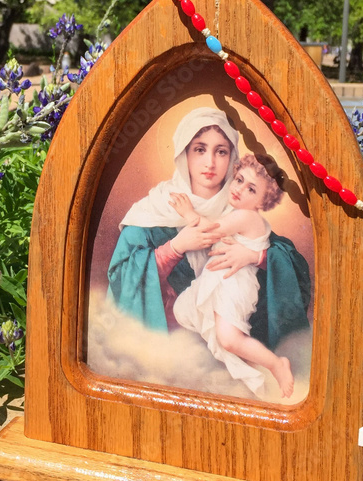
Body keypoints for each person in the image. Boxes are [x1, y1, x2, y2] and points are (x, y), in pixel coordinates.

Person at [106, 108, 311, 358]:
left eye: (221, 151)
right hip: (167, 356)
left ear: (232, 158)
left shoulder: (240, 209)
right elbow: (120, 279)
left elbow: (292, 266)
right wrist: (174, 249)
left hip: (229, 357)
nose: (210, 163)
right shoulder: (154, 210)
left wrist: (254, 257)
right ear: (184, 153)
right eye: (200, 149)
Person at [169, 153, 295, 398]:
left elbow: (210, 232)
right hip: (223, 281)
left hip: (234, 285)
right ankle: (254, 364)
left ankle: (276, 364)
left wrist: (189, 213)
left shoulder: (246, 216)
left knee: (228, 339)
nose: (239, 189)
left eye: (251, 189)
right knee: (194, 316)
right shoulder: (238, 212)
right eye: (238, 180)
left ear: (263, 201)